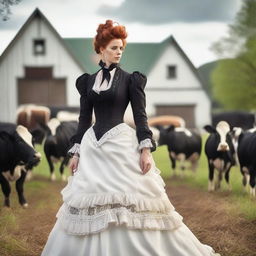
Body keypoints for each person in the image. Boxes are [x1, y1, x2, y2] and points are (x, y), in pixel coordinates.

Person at [41, 20, 220, 256]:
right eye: (114, 47)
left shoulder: (131, 80)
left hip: (121, 145)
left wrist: (145, 150)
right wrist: (75, 152)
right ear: (101, 49)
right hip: (93, 148)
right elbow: (84, 119)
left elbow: (140, 116)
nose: (119, 52)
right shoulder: (87, 82)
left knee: (133, 201)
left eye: (121, 48)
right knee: (92, 202)